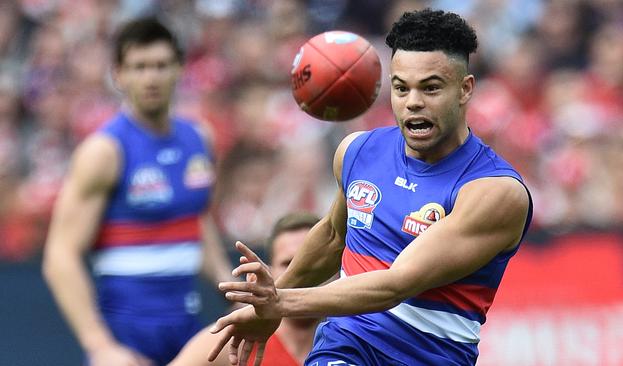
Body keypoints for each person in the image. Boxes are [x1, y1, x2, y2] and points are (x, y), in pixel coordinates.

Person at [209, 8, 533, 366]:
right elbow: (334, 235)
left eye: (431, 88)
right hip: (346, 346)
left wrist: (281, 303)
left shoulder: (495, 191)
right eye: (401, 88)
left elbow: (396, 283)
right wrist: (269, 303)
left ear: (465, 89)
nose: (413, 102)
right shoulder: (357, 151)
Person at [42, 18, 234, 366]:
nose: (151, 78)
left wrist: (230, 289)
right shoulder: (105, 152)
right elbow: (60, 256)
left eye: (161, 66)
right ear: (118, 74)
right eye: (139, 67)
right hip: (125, 341)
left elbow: (196, 220)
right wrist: (100, 345)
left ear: (180, 69)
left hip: (187, 331)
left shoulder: (199, 140)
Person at [169, 211, 323, 366]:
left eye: (312, 261)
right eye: (288, 263)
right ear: (270, 272)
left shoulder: (345, 335)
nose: (302, 272)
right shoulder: (236, 339)